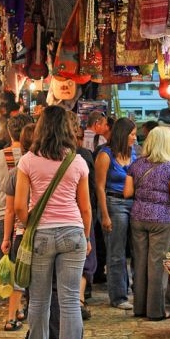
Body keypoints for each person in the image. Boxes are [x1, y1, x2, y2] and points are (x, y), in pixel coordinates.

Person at [14, 105, 91, 339]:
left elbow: (21, 206)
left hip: (41, 236)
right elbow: (85, 209)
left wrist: (31, 225)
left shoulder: (28, 161)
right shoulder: (77, 162)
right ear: (67, 129)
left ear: (41, 128)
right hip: (73, 233)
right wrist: (87, 237)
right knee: (70, 301)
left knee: (39, 298)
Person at [123, 127, 170, 320]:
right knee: (157, 265)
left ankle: (140, 308)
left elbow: (127, 193)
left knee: (140, 263)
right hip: (162, 220)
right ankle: (155, 311)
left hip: (138, 218)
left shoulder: (136, 164)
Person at [95, 117, 137, 309]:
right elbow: (100, 187)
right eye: (132, 134)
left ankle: (136, 289)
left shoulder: (133, 153)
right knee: (116, 252)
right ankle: (119, 296)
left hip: (133, 202)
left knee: (135, 251)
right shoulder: (105, 156)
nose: (135, 138)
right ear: (123, 134)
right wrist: (104, 214)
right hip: (114, 203)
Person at [0, 123, 36, 331]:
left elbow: (10, 210)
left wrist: (6, 238)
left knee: (18, 276)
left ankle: (11, 317)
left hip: (21, 233)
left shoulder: (16, 172)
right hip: (38, 232)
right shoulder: (45, 168)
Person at [67, 110, 97, 320]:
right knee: (83, 261)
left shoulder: (34, 159)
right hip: (77, 218)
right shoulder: (81, 158)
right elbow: (87, 202)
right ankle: (77, 301)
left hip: (46, 225)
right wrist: (87, 234)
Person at [0, 112, 32, 256]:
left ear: (9, 132)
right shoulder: (34, 157)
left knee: (7, 264)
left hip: (2, 214)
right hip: (28, 216)